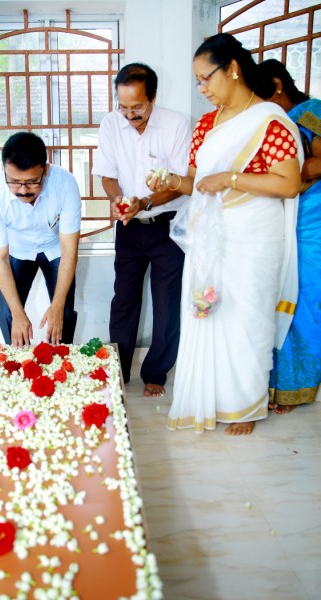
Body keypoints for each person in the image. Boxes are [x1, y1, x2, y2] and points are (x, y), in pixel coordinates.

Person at [147, 34, 303, 434]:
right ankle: (211, 398)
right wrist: (168, 180)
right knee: (207, 313)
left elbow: (287, 184)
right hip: (210, 237)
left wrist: (232, 178)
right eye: (198, 81)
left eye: (206, 78)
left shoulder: (270, 121)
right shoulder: (206, 125)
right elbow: (198, 183)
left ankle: (245, 406)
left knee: (246, 316)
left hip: (253, 235)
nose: (202, 89)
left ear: (232, 68)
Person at [92, 63, 191, 397]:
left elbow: (181, 183)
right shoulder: (110, 123)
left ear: (153, 98)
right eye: (123, 107)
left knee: (165, 304)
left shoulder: (177, 124)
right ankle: (117, 373)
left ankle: (155, 374)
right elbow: (107, 174)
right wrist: (118, 199)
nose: (129, 114)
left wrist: (145, 202)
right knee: (124, 300)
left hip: (168, 228)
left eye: (136, 107)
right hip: (129, 228)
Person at [257, 59, 321, 414]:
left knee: (306, 301)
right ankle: (274, 383)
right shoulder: (269, 122)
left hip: (311, 218)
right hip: (281, 215)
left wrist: (282, 173)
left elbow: (319, 163)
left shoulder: (311, 112)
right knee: (277, 296)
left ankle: (299, 386)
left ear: (277, 85)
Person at [0, 132, 81, 348]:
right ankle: (17, 368)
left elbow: (69, 250)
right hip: (18, 250)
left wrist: (56, 305)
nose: (23, 191)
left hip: (55, 249)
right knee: (9, 315)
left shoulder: (65, 184)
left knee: (62, 312)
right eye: (15, 182)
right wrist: (19, 314)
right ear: (5, 171)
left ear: (45, 170)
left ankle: (62, 366)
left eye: (32, 182)